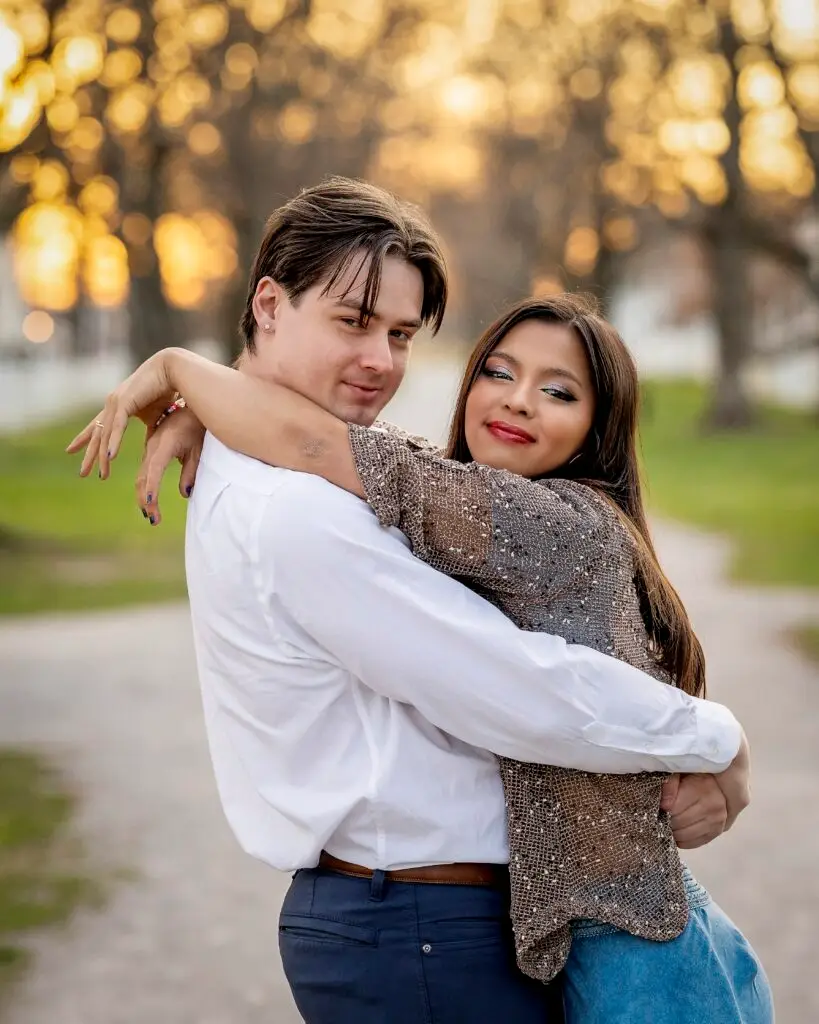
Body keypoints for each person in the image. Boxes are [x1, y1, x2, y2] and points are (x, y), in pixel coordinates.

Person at [69, 178, 753, 1023]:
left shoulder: (307, 474)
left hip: (434, 919)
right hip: (418, 925)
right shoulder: (297, 510)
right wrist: (712, 736)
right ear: (269, 305)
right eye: (353, 322)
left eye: (398, 334)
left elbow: (377, 458)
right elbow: (514, 686)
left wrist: (200, 393)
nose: (381, 361)